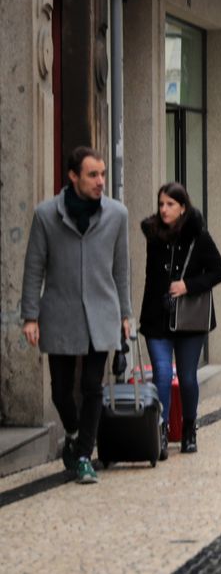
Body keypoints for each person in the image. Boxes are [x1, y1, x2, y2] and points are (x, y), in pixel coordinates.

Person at [20, 146, 131, 484]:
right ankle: (72, 432)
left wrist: (126, 314)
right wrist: (30, 316)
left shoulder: (117, 215)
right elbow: (34, 267)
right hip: (60, 311)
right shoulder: (45, 215)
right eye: (93, 175)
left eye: (103, 175)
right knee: (61, 391)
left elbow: (121, 269)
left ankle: (84, 454)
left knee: (92, 385)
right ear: (73, 176)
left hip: (102, 310)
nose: (101, 182)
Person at [139, 182, 221, 457]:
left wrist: (187, 285)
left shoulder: (198, 236)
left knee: (188, 378)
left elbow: (219, 271)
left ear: (183, 207)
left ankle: (189, 427)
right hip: (158, 318)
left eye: (170, 205)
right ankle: (160, 431)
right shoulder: (154, 235)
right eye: (161, 204)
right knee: (162, 375)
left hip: (190, 320)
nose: (164, 210)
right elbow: (151, 279)